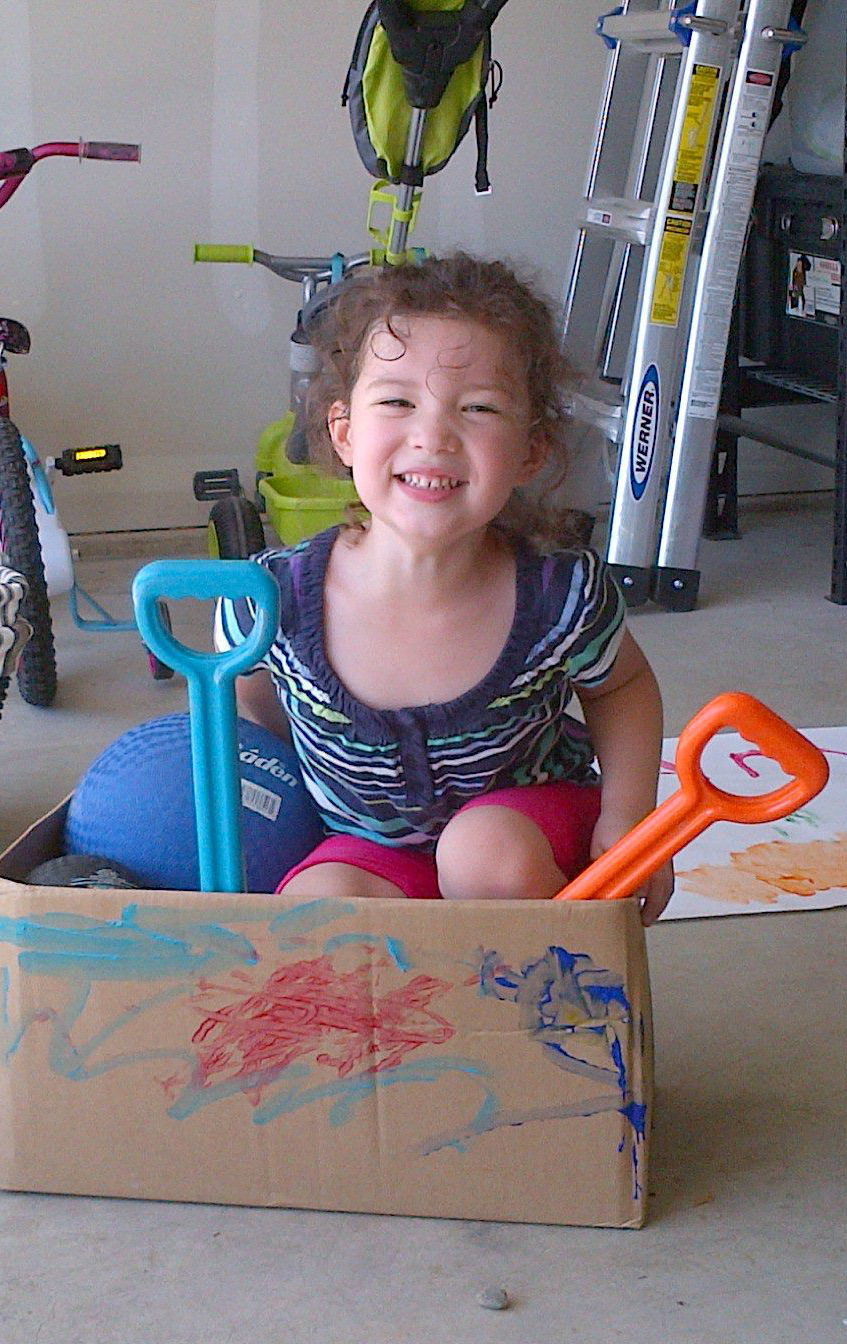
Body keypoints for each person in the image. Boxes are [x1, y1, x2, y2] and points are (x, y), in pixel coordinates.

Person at [217, 254, 672, 923]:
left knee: (481, 854)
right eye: (397, 402)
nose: (433, 436)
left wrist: (630, 817)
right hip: (372, 847)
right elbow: (253, 709)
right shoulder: (267, 600)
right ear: (344, 434)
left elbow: (622, 687)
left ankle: (543, 979)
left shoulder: (561, 596)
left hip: (527, 835)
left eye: (478, 408)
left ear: (531, 452)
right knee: (314, 909)